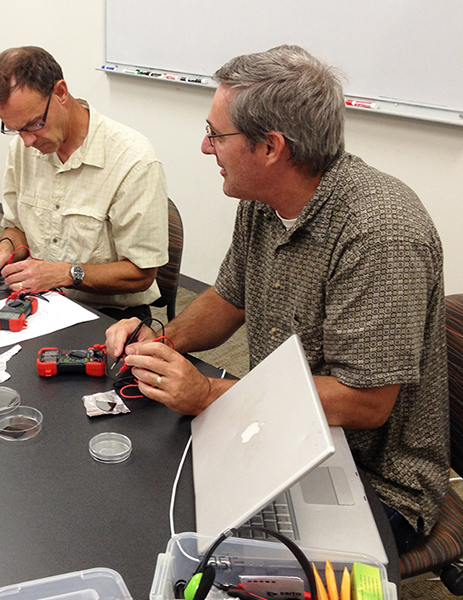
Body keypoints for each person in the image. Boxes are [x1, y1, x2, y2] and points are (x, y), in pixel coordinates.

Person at [106, 45, 448, 554]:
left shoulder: (381, 233)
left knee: (204, 555)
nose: (205, 147)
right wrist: (161, 341)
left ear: (270, 147)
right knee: (147, 501)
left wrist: (210, 397)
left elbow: (367, 402)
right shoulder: (263, 203)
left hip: (371, 478)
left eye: (216, 135)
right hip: (277, 439)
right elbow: (228, 300)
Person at [0, 46, 169, 320]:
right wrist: (4, 248)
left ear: (61, 93)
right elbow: (17, 228)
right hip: (40, 302)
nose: (27, 141)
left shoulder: (133, 161)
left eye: (33, 124)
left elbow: (141, 274)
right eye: (15, 129)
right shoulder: (21, 149)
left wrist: (65, 274)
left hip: (109, 315)